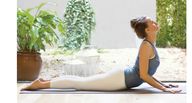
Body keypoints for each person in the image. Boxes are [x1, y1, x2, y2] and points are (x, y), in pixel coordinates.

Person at [22, 16, 182, 93]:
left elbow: (146, 74)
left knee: (81, 82)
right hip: (119, 79)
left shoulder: (150, 44)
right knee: (80, 84)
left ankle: (44, 81)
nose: (155, 23)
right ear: (147, 30)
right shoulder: (146, 46)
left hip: (122, 78)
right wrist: (163, 89)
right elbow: (144, 75)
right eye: (152, 22)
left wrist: (165, 85)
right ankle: (41, 85)